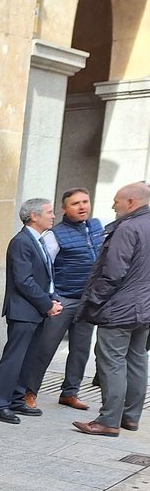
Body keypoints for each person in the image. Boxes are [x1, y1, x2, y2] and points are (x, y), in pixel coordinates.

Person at [72, 180, 150, 436]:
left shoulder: (127, 228)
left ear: (131, 202)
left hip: (120, 309)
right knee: (137, 359)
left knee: (112, 362)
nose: (113, 205)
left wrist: (94, 300)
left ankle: (108, 420)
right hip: (144, 308)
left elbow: (113, 272)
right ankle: (130, 417)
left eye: (116, 201)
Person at [21, 188, 105, 411]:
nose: (82, 207)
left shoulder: (97, 227)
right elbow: (45, 268)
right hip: (63, 299)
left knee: (80, 349)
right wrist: (52, 299)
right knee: (45, 348)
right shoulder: (54, 235)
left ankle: (70, 393)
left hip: (88, 300)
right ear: (64, 209)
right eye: (75, 203)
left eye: (85, 201)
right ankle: (29, 392)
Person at [0, 198, 62, 424]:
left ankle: (17, 399)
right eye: (49, 212)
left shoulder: (38, 240)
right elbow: (24, 280)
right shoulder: (21, 242)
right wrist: (47, 304)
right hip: (23, 311)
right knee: (14, 357)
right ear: (34, 216)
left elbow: (43, 275)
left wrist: (52, 298)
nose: (53, 216)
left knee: (28, 358)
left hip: (36, 309)